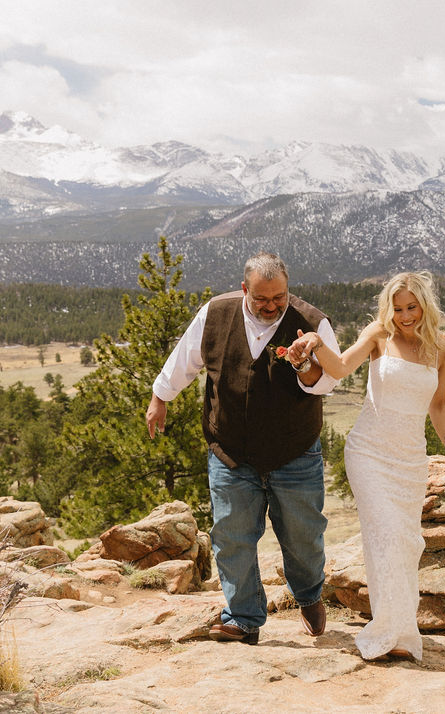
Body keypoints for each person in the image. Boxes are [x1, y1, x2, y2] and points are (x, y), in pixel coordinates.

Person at [146, 252, 341, 645]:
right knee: (232, 535)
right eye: (261, 299)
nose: (271, 306)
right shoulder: (216, 313)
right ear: (244, 289)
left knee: (303, 538)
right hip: (230, 449)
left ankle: (308, 595)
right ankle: (243, 617)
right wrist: (159, 397)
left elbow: (327, 384)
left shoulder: (313, 322)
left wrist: (303, 364)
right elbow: (185, 358)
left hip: (294, 452)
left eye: (279, 298)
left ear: (288, 289)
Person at [286, 271, 445, 662]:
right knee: (385, 535)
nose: (404, 316)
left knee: (406, 544)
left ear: (424, 305)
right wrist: (315, 343)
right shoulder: (378, 335)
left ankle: (401, 631)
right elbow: (340, 368)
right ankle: (384, 632)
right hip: (369, 452)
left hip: (410, 459)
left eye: (411, 307)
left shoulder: (442, 347)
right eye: (397, 308)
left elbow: (437, 404)